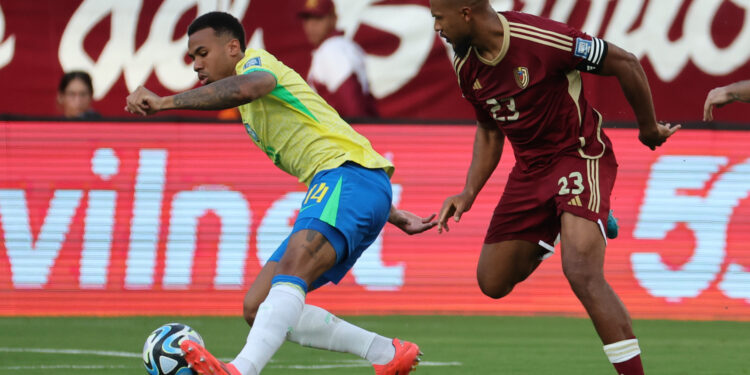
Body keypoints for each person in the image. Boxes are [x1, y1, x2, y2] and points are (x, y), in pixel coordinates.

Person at [125, 11, 434, 375]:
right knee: (258, 305)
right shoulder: (248, 111)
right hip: (352, 185)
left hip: (347, 177)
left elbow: (251, 85)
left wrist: (164, 102)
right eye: (192, 57)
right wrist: (393, 214)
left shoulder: (256, 63)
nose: (196, 65)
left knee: (292, 269)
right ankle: (385, 353)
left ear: (233, 47)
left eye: (202, 53)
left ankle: (241, 370)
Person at [430, 1, 680, 374]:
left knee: (581, 270)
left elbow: (626, 62)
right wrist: (468, 192)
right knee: (492, 282)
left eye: (439, 18)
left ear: (465, 13)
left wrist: (648, 128)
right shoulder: (465, 64)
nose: (437, 28)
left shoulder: (542, 39)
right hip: (530, 172)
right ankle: (571, 222)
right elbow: (488, 129)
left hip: (578, 154)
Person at [299, 0, 378, 118]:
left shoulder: (332, 49)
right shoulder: (339, 46)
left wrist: (358, 133)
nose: (311, 25)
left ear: (334, 19)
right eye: (307, 19)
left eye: (318, 18)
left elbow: (353, 106)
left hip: (344, 133)